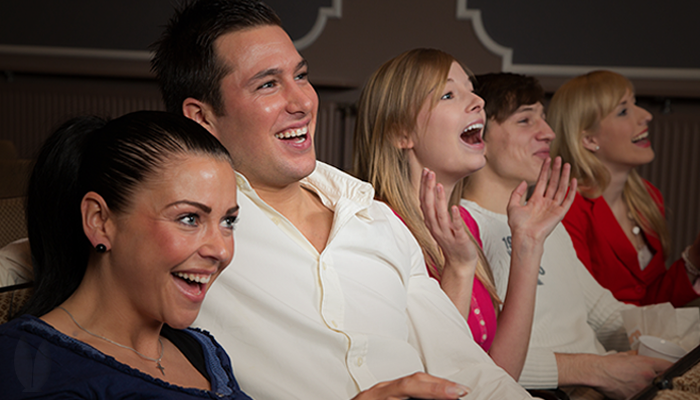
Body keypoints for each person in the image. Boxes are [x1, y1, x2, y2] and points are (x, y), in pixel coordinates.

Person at [151, 1, 532, 399]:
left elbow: (465, 368)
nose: (302, 103)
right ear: (202, 118)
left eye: (301, 76)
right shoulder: (181, 238)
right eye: (268, 84)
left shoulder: (377, 220)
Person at [352, 48, 575, 381]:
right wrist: (458, 269)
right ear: (402, 133)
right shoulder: (378, 229)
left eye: (471, 90)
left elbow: (500, 374)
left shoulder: (464, 225)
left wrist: (528, 243)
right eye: (448, 94)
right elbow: (436, 381)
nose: (478, 102)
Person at [0, 111, 251, 399]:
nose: (221, 250)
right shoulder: (31, 366)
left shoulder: (202, 351)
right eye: (189, 218)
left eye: (228, 221)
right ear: (100, 221)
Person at [461, 72, 672, 399]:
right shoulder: (460, 229)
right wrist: (595, 369)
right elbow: (473, 359)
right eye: (525, 121)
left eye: (543, 118)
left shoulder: (544, 217)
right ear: (478, 135)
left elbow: (605, 315)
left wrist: (689, 333)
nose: (548, 133)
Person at [549, 70, 700, 307]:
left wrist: (695, 258)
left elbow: (652, 302)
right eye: (623, 111)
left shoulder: (648, 197)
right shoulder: (568, 210)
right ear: (588, 140)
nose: (647, 116)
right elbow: (582, 311)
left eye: (635, 103)